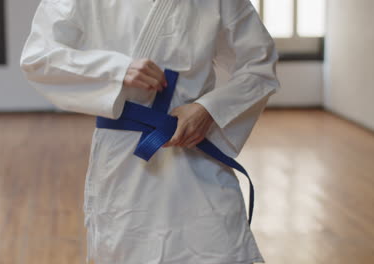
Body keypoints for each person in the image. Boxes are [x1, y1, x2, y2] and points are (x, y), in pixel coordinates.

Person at [19, 0, 280, 263]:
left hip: (194, 149)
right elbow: (39, 58)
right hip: (125, 161)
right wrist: (117, 70)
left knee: (220, 249)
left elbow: (258, 64)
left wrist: (209, 110)